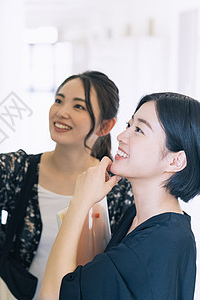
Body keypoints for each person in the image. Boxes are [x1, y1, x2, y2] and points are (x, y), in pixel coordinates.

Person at [0, 71, 134, 299]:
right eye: (58, 100)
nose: (61, 112)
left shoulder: (115, 187)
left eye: (78, 107)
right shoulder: (24, 168)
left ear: (106, 126)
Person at [39, 92, 199, 300]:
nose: (122, 136)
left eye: (140, 130)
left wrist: (80, 201)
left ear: (175, 161)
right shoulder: (143, 219)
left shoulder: (152, 245)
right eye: (128, 125)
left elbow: (51, 296)